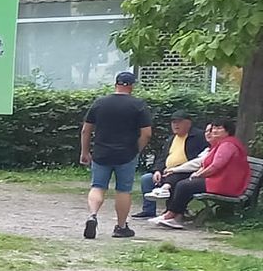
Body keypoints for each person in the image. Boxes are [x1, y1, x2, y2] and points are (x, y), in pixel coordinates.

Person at [79, 70, 153, 239]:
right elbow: (147, 133)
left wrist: (85, 151)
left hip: (101, 152)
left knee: (97, 186)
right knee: (123, 190)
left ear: (116, 84)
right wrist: (137, 149)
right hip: (126, 154)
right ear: (132, 86)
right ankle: (121, 227)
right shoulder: (138, 105)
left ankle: (93, 215)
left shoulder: (100, 103)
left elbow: (86, 130)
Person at [154, 118, 249, 230]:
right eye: (214, 128)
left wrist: (199, 175)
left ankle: (171, 215)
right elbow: (204, 163)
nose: (214, 131)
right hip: (220, 180)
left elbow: (216, 166)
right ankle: (175, 216)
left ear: (228, 131)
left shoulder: (227, 145)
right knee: (185, 184)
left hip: (226, 184)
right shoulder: (220, 144)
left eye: (219, 128)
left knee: (184, 185)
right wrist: (195, 173)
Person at [132, 112, 209, 219]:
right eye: (173, 122)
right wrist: (157, 170)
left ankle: (171, 210)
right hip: (167, 171)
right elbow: (162, 157)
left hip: (186, 172)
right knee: (147, 179)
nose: (175, 125)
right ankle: (148, 211)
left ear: (188, 123)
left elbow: (201, 159)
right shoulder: (171, 139)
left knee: (176, 181)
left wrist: (178, 169)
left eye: (179, 122)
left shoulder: (199, 137)